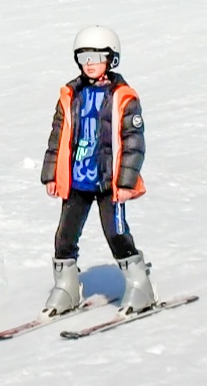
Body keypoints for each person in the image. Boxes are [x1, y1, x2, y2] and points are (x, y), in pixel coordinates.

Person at [39, 25, 155, 316]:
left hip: (109, 182)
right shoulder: (70, 95)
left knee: (116, 233)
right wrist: (52, 174)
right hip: (77, 178)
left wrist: (127, 181)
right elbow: (57, 136)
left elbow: (133, 142)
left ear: (111, 59)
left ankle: (140, 284)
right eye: (83, 57)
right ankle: (66, 287)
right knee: (64, 236)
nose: (89, 64)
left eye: (96, 56)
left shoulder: (123, 97)